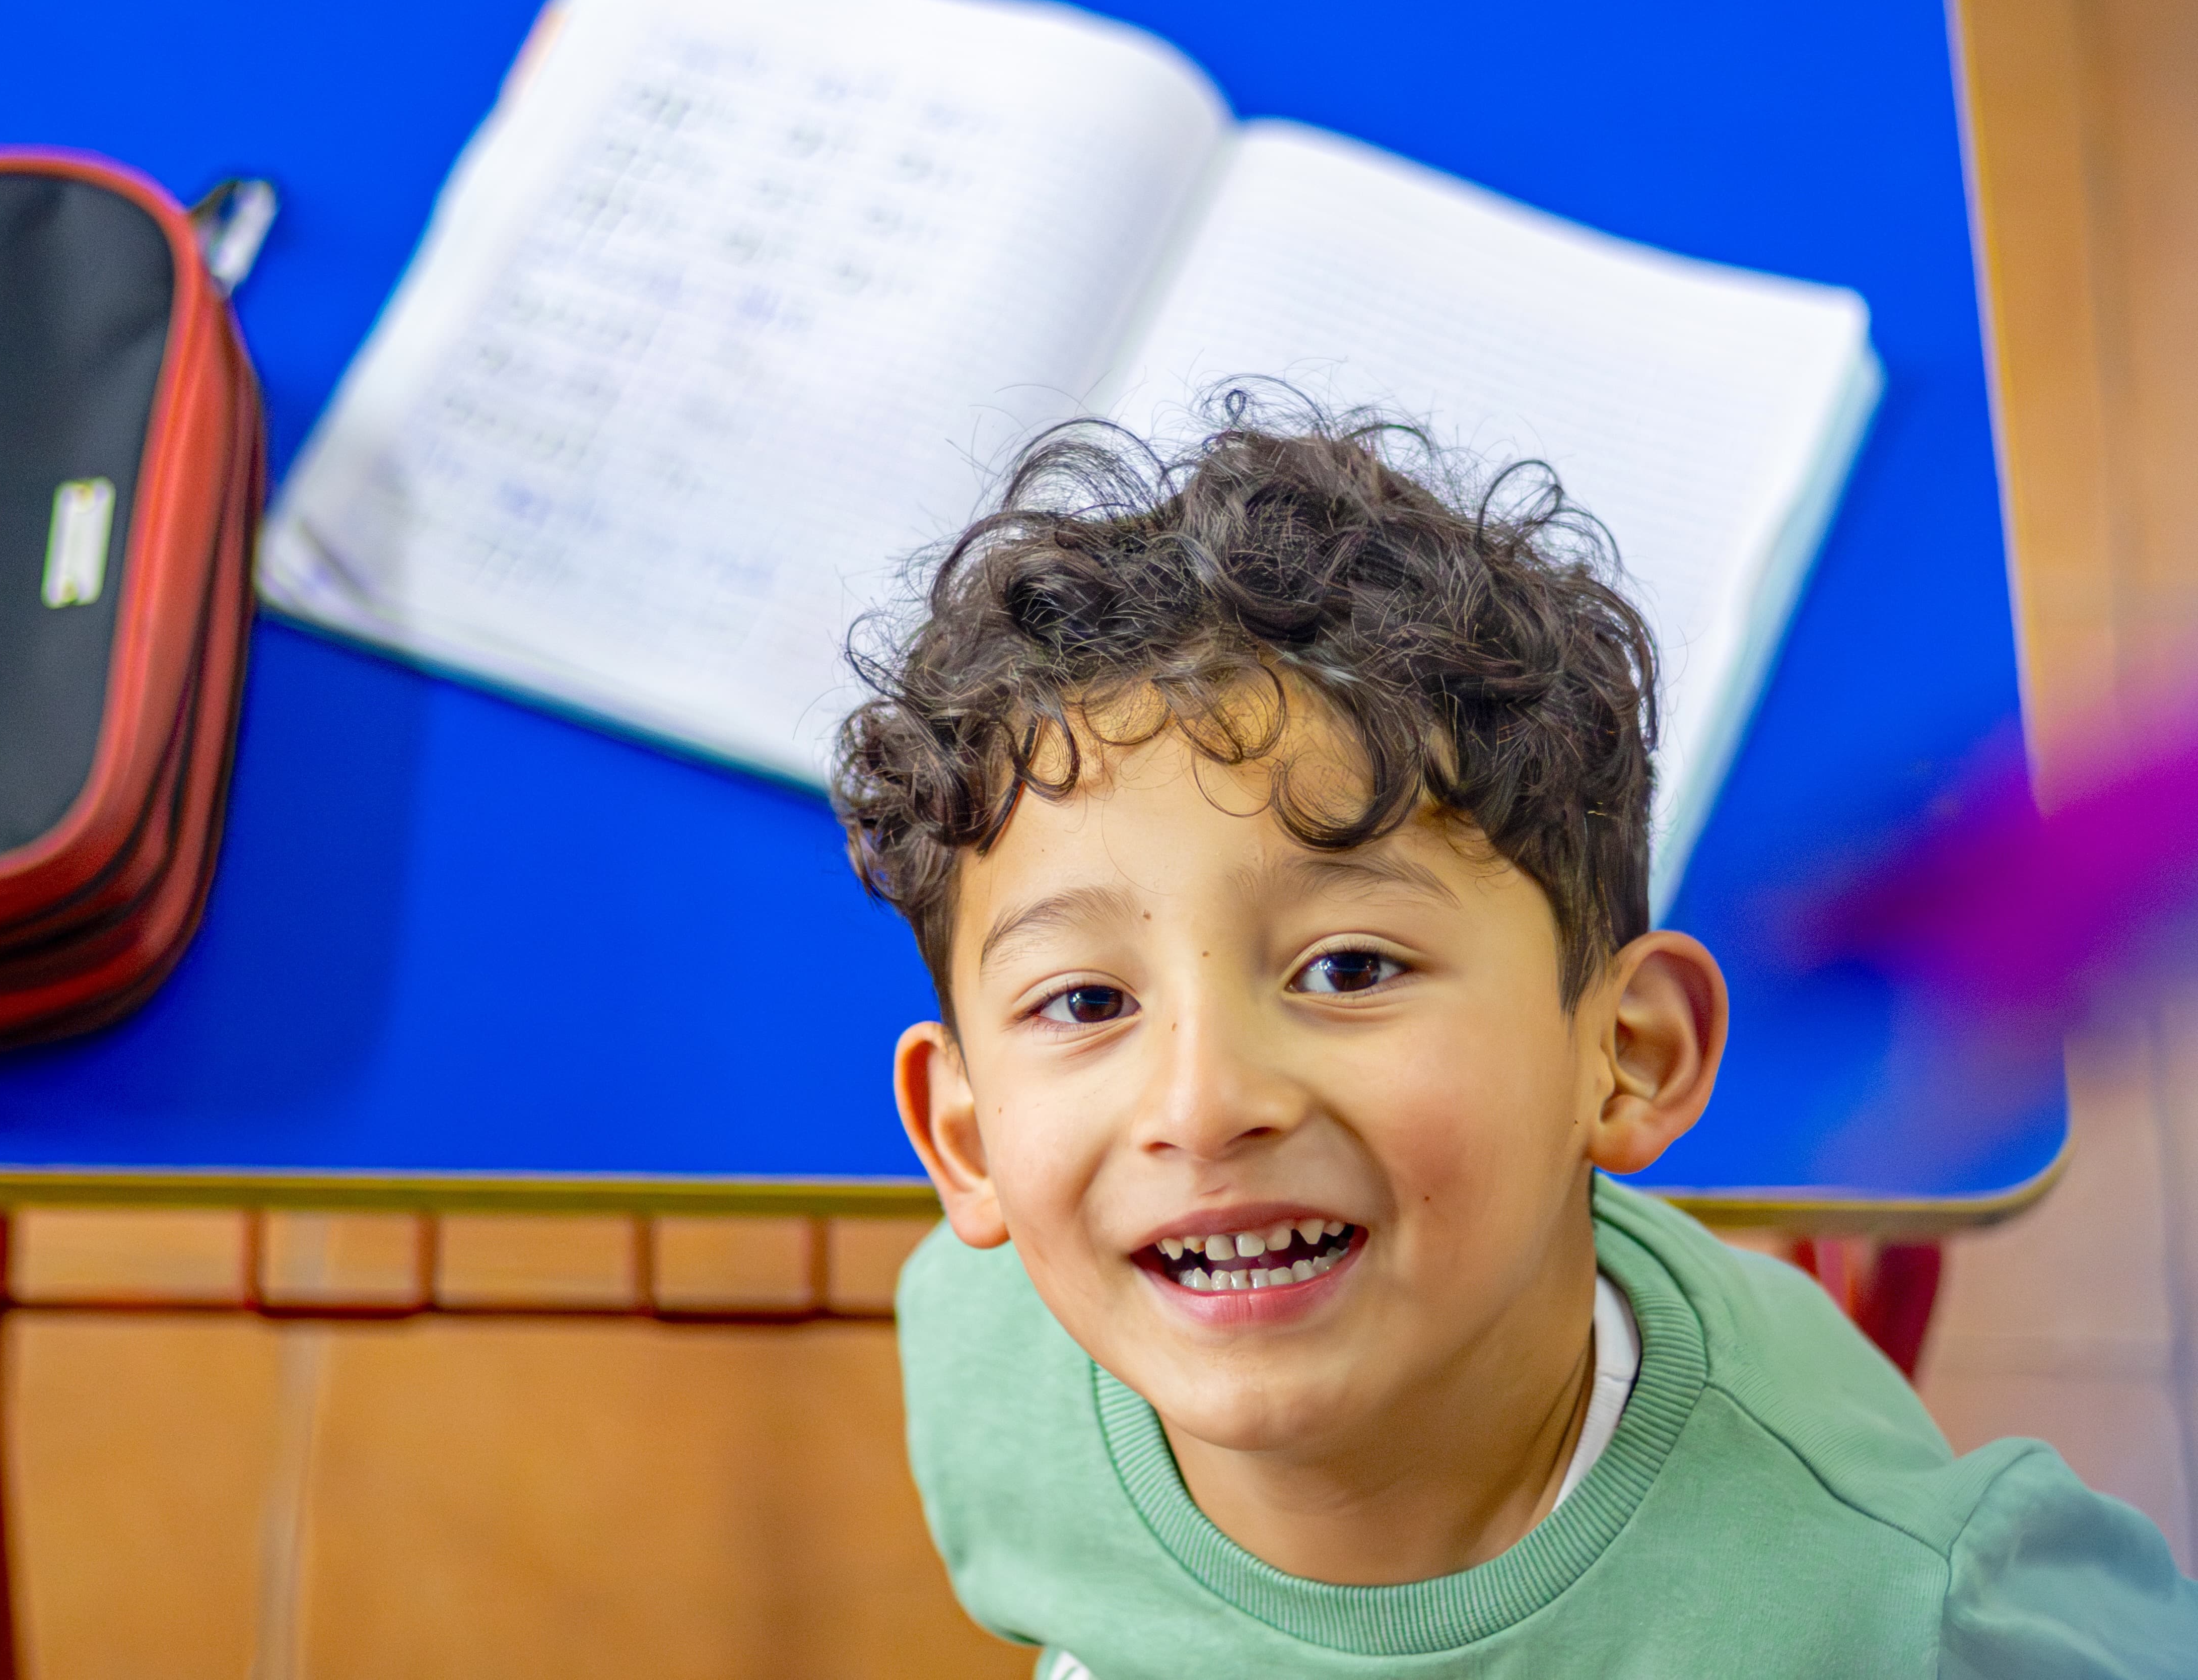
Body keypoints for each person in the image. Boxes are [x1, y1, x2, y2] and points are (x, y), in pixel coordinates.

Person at [831, 398, 2196, 1679]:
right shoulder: (984, 1349)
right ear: (965, 1139)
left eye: (1348, 965)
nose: (1201, 1103)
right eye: (1084, 1002)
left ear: (1630, 1052)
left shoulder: (1904, 1610)